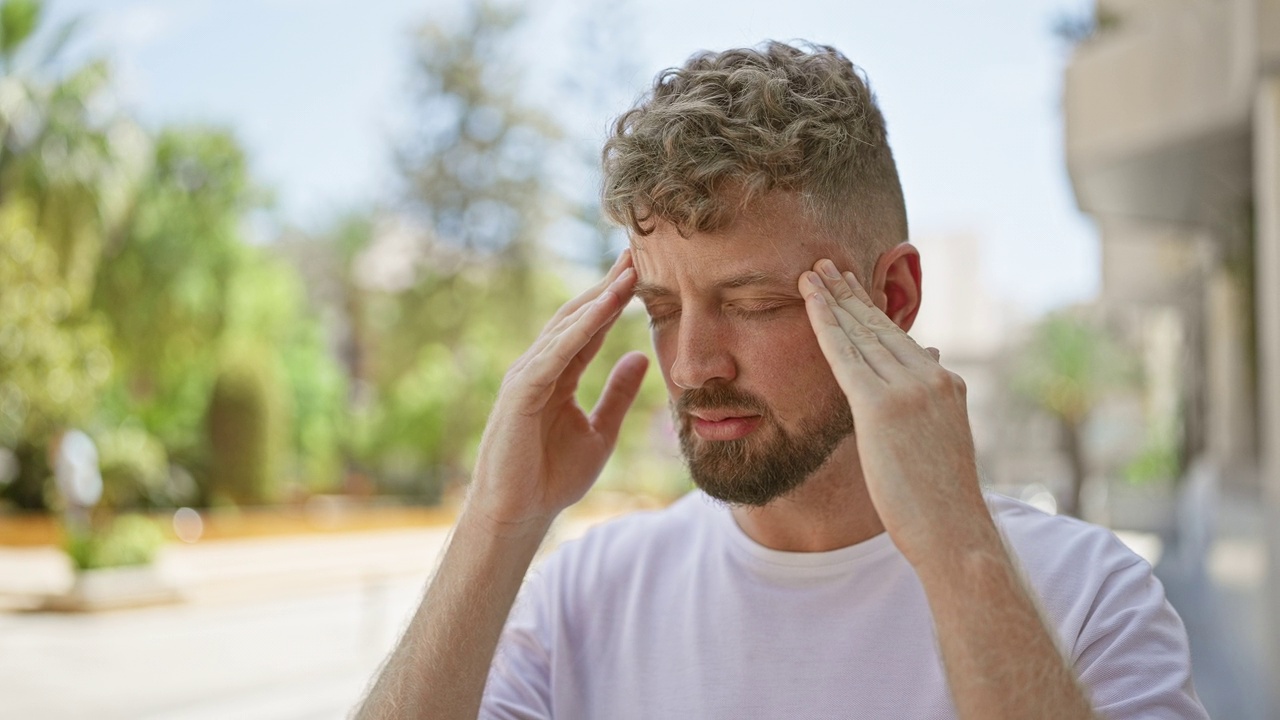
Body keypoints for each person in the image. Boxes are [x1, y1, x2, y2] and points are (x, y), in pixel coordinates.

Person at [355, 41, 1207, 719]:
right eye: (659, 307)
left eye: (753, 301)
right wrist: (499, 524)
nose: (690, 365)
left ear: (894, 296)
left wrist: (960, 545)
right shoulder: (588, 595)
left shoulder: (1089, 594)